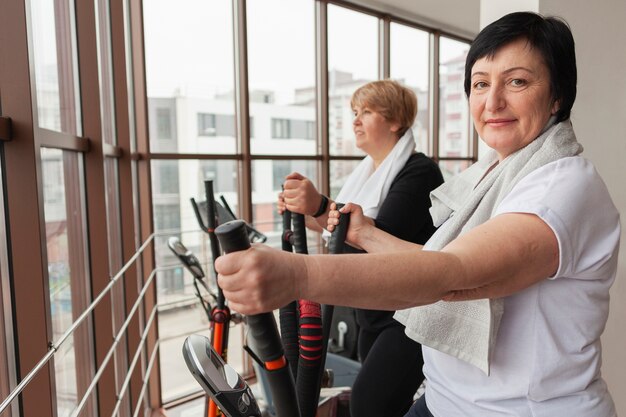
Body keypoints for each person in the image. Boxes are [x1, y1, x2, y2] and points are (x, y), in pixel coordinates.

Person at [216, 11, 620, 417]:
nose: (492, 101)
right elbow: (434, 258)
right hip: (446, 399)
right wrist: (364, 233)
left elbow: (455, 272)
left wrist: (296, 276)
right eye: (480, 84)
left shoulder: (562, 185)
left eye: (517, 81)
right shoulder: (493, 172)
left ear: (558, 96)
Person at [278, 79, 444, 417]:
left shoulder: (419, 172)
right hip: (373, 312)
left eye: (366, 112)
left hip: (411, 317)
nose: (355, 120)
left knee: (369, 405)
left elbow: (373, 237)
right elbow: (343, 229)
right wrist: (305, 210)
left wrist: (320, 205)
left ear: (396, 121)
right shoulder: (368, 175)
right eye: (355, 112)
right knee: (379, 406)